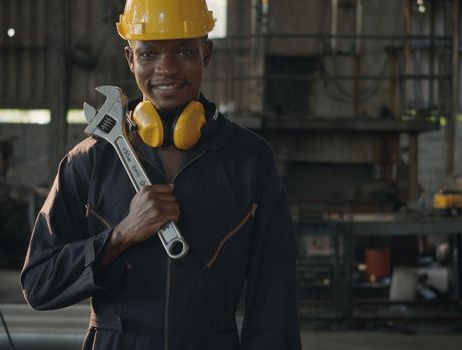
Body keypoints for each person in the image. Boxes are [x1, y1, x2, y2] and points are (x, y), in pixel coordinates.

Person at [20, 0, 301, 349]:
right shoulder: (89, 161)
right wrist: (119, 236)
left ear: (207, 54)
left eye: (184, 52)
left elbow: (274, 294)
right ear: (130, 58)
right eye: (149, 54)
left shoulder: (249, 160)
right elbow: (39, 284)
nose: (166, 69)